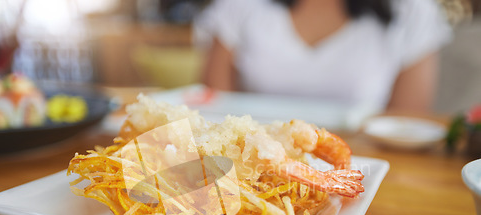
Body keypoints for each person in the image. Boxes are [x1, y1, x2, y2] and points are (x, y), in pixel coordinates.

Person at [193, 0, 452, 113]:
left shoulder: (412, 11)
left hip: (367, 172)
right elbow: (214, 105)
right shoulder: (240, 5)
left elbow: (403, 129)